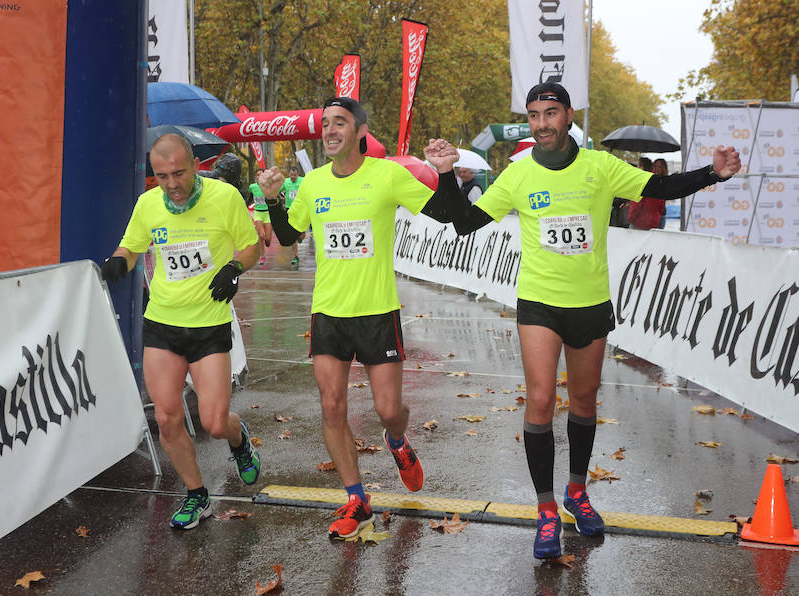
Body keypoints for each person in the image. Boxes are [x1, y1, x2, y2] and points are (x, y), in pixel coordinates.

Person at [441, 82, 741, 560]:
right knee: (540, 400)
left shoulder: (600, 166)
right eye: (534, 115)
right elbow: (464, 223)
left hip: (590, 305)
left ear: (569, 115)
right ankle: (544, 512)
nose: (542, 124)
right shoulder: (516, 177)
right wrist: (444, 177)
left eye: (551, 114)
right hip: (539, 303)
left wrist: (713, 174)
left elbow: (658, 187)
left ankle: (576, 493)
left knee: (582, 400)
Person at [257, 97, 459, 540]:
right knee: (332, 406)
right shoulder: (312, 184)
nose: (329, 131)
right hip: (329, 311)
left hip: (376, 312)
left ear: (360, 130)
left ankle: (398, 442)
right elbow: (290, 235)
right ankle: (356, 499)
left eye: (339, 123)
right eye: (325, 124)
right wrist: (272, 199)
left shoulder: (387, 176)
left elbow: (444, 214)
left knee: (389, 411)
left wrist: (444, 172)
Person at [100, 134, 262, 530]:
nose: (171, 184)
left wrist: (233, 268)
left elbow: (252, 246)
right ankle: (196, 495)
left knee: (213, 421)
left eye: (179, 173)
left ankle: (238, 438)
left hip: (209, 325)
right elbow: (131, 247)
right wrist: (118, 263)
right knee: (168, 418)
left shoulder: (224, 198)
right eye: (161, 176)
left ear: (194, 165)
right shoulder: (148, 204)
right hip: (163, 322)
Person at [627, 157, 667, 230]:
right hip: (651, 221)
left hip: (642, 221)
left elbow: (637, 202)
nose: (657, 168)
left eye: (660, 167)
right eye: (655, 166)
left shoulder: (645, 180)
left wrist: (630, 218)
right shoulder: (662, 182)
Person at [280, 165, 305, 267]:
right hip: (290, 209)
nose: (292, 177)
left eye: (294, 175)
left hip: (301, 209)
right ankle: (295, 256)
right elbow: (278, 190)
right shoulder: (286, 182)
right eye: (291, 175)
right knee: (292, 233)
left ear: (298, 174)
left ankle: (300, 236)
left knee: (301, 234)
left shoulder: (303, 181)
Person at [248, 170, 272, 266]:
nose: (259, 176)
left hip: (267, 213)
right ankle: (262, 256)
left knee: (268, 239)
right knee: (261, 236)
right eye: (257, 175)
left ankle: (267, 242)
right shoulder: (252, 187)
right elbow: (249, 199)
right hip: (258, 213)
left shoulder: (268, 186)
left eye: (261, 175)